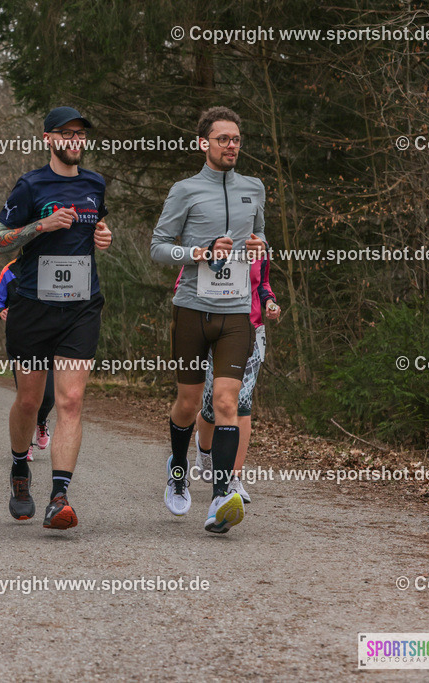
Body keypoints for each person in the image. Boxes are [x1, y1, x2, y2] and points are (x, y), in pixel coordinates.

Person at [0, 107, 112, 530]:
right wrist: (41, 226)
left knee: (71, 401)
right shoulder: (30, 185)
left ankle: (59, 496)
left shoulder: (95, 183)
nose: (75, 140)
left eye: (81, 134)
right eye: (67, 133)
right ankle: (20, 468)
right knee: (28, 400)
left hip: (81, 306)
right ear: (48, 139)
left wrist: (103, 236)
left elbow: (95, 230)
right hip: (32, 307)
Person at [149, 106, 267, 533]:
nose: (231, 145)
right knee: (186, 402)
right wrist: (197, 253)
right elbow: (159, 246)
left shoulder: (254, 187)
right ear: (204, 143)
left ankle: (221, 496)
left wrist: (258, 247)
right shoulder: (185, 190)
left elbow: (261, 238)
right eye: (223, 139)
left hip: (237, 310)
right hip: (193, 307)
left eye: (236, 139)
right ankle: (178, 468)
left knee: (226, 402)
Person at [188, 251, 280, 502]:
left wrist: (269, 302)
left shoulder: (260, 245)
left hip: (252, 330)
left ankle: (233, 478)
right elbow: (185, 284)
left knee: (241, 403)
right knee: (212, 406)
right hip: (214, 330)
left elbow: (262, 284)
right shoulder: (208, 237)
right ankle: (204, 449)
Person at [0, 259, 54, 459]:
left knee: (49, 395)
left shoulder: (53, 263)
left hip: (50, 338)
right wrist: (0, 311)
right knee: (26, 397)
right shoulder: (9, 270)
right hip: (21, 339)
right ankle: (26, 445)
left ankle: (41, 422)